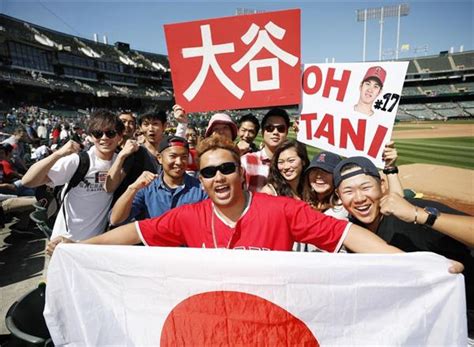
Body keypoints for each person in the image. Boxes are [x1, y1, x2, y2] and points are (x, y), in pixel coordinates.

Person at [333, 156, 474, 339]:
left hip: (464, 323)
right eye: (348, 191)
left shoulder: (416, 212)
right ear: (339, 196)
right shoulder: (351, 233)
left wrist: (418, 215)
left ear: (382, 186)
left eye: (366, 187)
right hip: (415, 329)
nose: (359, 198)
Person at [22, 109, 124, 240]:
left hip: (95, 244)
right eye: (98, 133)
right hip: (65, 240)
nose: (104, 138)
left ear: (120, 136)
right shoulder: (79, 160)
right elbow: (28, 181)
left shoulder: (122, 161)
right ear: (91, 137)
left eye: (110, 133)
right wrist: (58, 154)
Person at [109, 135, 207, 225]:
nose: (179, 162)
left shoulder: (200, 189)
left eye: (184, 157)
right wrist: (132, 188)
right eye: (173, 156)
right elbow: (115, 219)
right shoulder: (146, 188)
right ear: (160, 158)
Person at [241, 108, 290, 192]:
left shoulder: (291, 165)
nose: (275, 132)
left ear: (286, 133)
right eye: (270, 128)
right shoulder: (246, 161)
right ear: (262, 132)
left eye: (280, 129)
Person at [302, 151, 348, 220]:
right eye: (314, 170)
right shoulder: (303, 199)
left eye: (325, 171)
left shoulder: (341, 209)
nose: (318, 175)